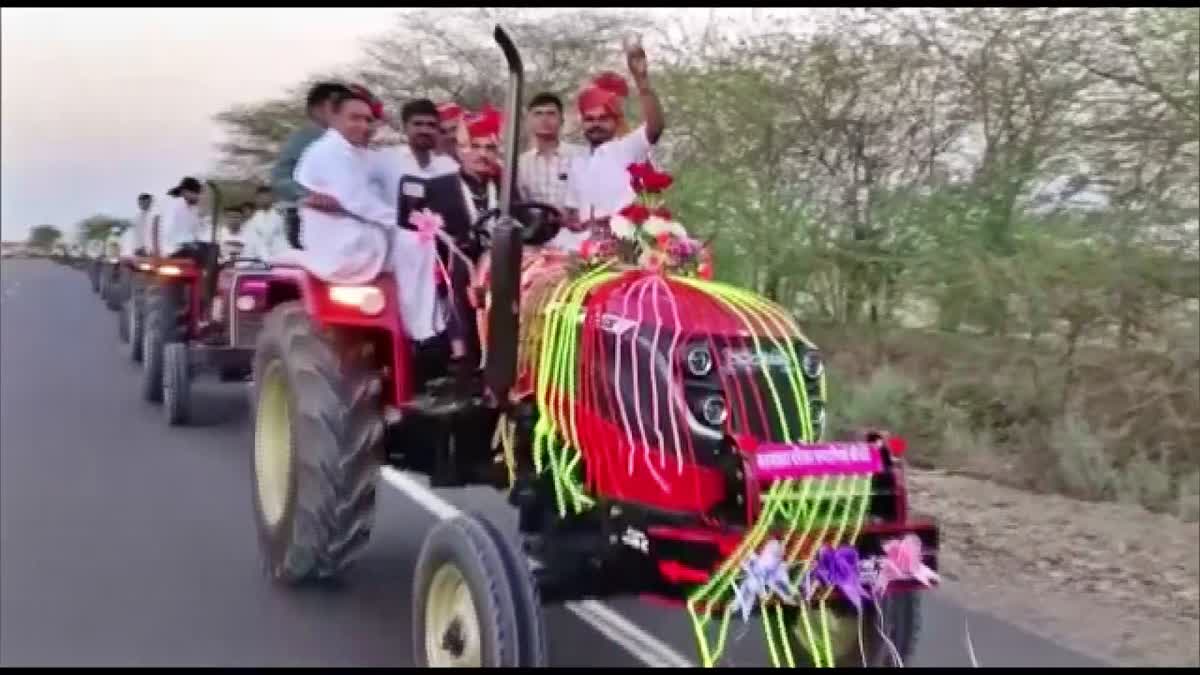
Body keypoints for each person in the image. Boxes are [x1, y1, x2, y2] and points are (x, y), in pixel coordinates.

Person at [291, 86, 444, 343]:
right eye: (355, 118)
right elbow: (358, 201)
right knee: (414, 243)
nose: (364, 125)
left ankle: (433, 324)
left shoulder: (363, 154)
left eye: (369, 120)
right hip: (344, 247)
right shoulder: (329, 151)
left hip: (368, 237)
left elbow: (399, 180)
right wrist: (408, 221)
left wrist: (424, 215)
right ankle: (418, 330)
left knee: (424, 245)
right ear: (335, 118)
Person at [563, 39, 665, 241]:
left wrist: (642, 82)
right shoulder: (577, 163)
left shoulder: (627, 148)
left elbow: (655, 127)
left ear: (615, 120)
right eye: (590, 119)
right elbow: (573, 213)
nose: (596, 124)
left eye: (603, 118)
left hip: (627, 246)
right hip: (587, 253)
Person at [271, 81, 353, 248]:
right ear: (318, 108)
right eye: (337, 105)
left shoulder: (343, 140)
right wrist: (308, 195)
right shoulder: (308, 136)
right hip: (308, 222)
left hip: (340, 222)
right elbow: (280, 177)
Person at [517, 92, 586, 252]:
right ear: (529, 121)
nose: (544, 119)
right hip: (534, 239)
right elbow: (520, 206)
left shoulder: (580, 156)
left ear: (561, 120)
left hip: (574, 237)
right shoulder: (521, 163)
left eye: (551, 114)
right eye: (538, 114)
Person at [368, 98, 459, 212]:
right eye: (418, 124)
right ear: (405, 127)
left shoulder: (449, 167)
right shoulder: (385, 159)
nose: (424, 130)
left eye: (431, 125)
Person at [156, 176, 206, 259]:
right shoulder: (173, 205)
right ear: (185, 192)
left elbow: (196, 232)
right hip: (173, 249)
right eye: (196, 193)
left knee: (210, 248)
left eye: (199, 194)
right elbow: (167, 230)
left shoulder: (194, 209)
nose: (198, 196)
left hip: (185, 247)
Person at [241, 186, 285, 261]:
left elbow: (270, 237)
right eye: (259, 197)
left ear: (272, 197)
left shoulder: (281, 214)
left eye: (265, 197)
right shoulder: (253, 220)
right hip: (258, 257)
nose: (262, 200)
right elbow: (251, 241)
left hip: (279, 254)